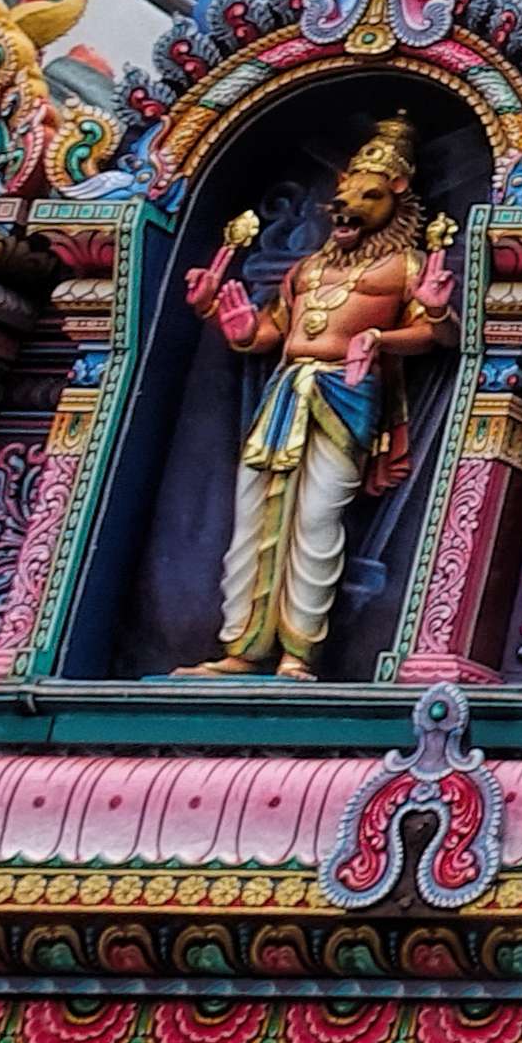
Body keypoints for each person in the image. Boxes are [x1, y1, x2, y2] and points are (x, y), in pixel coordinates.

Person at [176, 113, 453, 677]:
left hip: (344, 396)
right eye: (344, 195)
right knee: (253, 519)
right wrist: (221, 317)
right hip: (284, 394)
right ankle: (243, 648)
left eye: (367, 197)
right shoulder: (308, 268)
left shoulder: (405, 266)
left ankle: (298, 653)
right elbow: (272, 333)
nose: (346, 209)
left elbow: (438, 335)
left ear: (397, 199)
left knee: (317, 520)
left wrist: (386, 334)